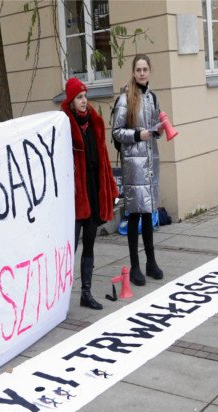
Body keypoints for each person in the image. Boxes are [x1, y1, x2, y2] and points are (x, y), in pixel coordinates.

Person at [61, 77, 119, 310]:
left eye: (85, 96)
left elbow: (103, 160)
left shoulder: (94, 122)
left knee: (90, 244)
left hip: (94, 192)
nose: (84, 101)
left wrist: (110, 188)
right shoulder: (63, 126)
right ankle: (60, 299)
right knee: (70, 248)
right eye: (79, 97)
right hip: (75, 197)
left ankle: (86, 293)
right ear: (70, 101)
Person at [112, 54, 164, 287]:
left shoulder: (153, 97)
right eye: (138, 70)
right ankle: (135, 266)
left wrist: (157, 131)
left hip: (150, 161)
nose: (142, 73)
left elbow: (152, 127)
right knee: (134, 213)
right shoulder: (125, 98)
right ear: (133, 72)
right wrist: (136, 134)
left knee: (148, 212)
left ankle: (151, 262)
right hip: (134, 164)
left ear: (150, 71)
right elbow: (117, 131)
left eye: (145, 69)